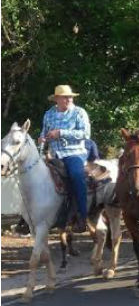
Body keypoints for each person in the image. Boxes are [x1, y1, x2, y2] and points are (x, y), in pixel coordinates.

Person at [38, 85, 91, 233]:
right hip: (53, 154)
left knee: (76, 175)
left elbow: (86, 134)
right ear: (57, 99)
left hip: (74, 152)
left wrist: (61, 133)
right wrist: (42, 138)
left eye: (70, 96)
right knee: (34, 176)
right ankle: (30, 217)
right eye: (65, 97)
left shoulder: (79, 112)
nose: (69, 99)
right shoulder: (48, 114)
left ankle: (82, 216)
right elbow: (44, 132)